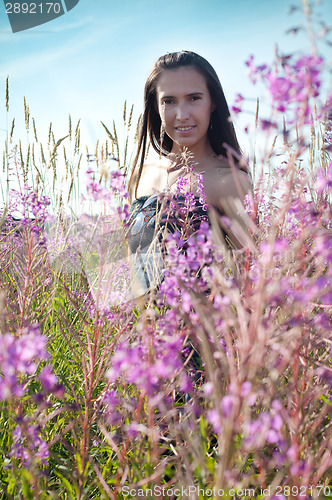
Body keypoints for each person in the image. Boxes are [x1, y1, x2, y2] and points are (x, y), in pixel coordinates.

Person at [126, 50, 252, 296]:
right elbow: (133, 270)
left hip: (203, 330)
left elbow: (250, 276)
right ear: (155, 105)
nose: (182, 115)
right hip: (143, 330)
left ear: (213, 102)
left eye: (194, 98)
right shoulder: (140, 176)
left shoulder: (229, 180)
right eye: (169, 101)